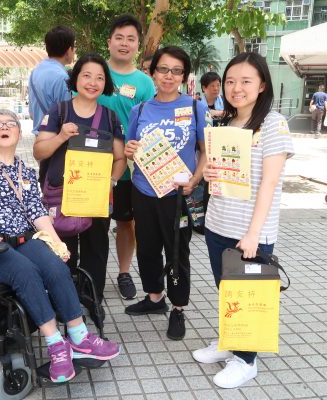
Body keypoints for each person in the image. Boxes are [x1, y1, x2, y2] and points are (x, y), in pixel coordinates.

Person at [0, 109, 120, 383]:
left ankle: (80, 336)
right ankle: (56, 345)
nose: (5, 127)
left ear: (18, 133)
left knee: (57, 266)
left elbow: (38, 214)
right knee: (26, 272)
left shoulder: (25, 170)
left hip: (24, 237)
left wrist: (58, 243)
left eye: (10, 124)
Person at [193, 52, 294, 389]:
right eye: (231, 81)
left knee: (247, 296)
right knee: (226, 290)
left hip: (250, 232)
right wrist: (208, 172)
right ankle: (229, 341)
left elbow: (269, 183)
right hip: (218, 223)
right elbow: (223, 175)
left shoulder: (274, 124)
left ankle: (246, 361)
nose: (236, 88)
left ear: (262, 84)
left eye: (246, 81)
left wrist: (253, 234)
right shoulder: (227, 123)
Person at [123, 46, 209, 340]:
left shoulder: (196, 108)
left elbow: (206, 151)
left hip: (177, 196)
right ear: (152, 72)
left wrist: (195, 180)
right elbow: (130, 148)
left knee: (176, 251)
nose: (169, 76)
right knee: (146, 248)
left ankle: (178, 309)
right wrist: (129, 150)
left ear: (184, 76)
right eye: (163, 69)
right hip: (143, 190)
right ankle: (154, 297)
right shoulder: (141, 110)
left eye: (176, 71)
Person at [33, 53, 126, 322]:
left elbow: (120, 158)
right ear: (76, 78)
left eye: (99, 77)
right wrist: (62, 135)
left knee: (96, 250)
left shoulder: (110, 117)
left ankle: (92, 299)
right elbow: (39, 151)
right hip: (61, 196)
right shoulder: (59, 111)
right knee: (64, 252)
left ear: (105, 83)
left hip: (96, 198)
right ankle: (66, 303)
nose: (93, 82)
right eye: (87, 75)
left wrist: (110, 182)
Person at [97, 14, 156, 300]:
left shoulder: (144, 83)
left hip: (129, 170)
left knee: (125, 222)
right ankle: (89, 276)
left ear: (138, 44)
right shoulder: (94, 72)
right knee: (89, 223)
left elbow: (151, 124)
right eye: (119, 37)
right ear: (109, 42)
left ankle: (123, 272)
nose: (124, 43)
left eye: (130, 38)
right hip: (90, 167)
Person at [28, 26, 75, 136]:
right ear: (69, 50)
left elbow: (31, 114)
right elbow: (66, 118)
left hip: (39, 137)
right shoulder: (62, 77)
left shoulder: (35, 72)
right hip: (54, 140)